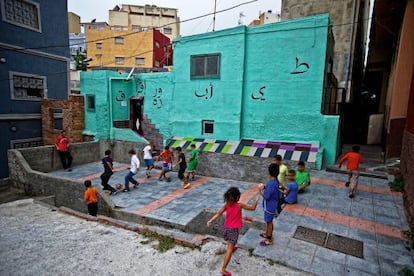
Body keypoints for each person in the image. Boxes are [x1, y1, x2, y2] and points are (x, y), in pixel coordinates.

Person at [207, 187, 260, 276]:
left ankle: (232, 246)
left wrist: (210, 220)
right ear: (237, 197)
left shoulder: (226, 205)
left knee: (231, 243)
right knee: (229, 249)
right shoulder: (239, 205)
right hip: (233, 230)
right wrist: (256, 200)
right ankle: (223, 269)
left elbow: (218, 213)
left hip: (226, 228)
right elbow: (253, 208)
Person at [258, 163, 280, 246]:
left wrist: (260, 191)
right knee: (269, 221)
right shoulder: (275, 181)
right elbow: (271, 189)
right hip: (272, 205)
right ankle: (267, 233)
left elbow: (266, 197)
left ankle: (269, 238)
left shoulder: (271, 183)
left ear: (269, 172)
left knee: (269, 222)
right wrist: (265, 187)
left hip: (269, 206)